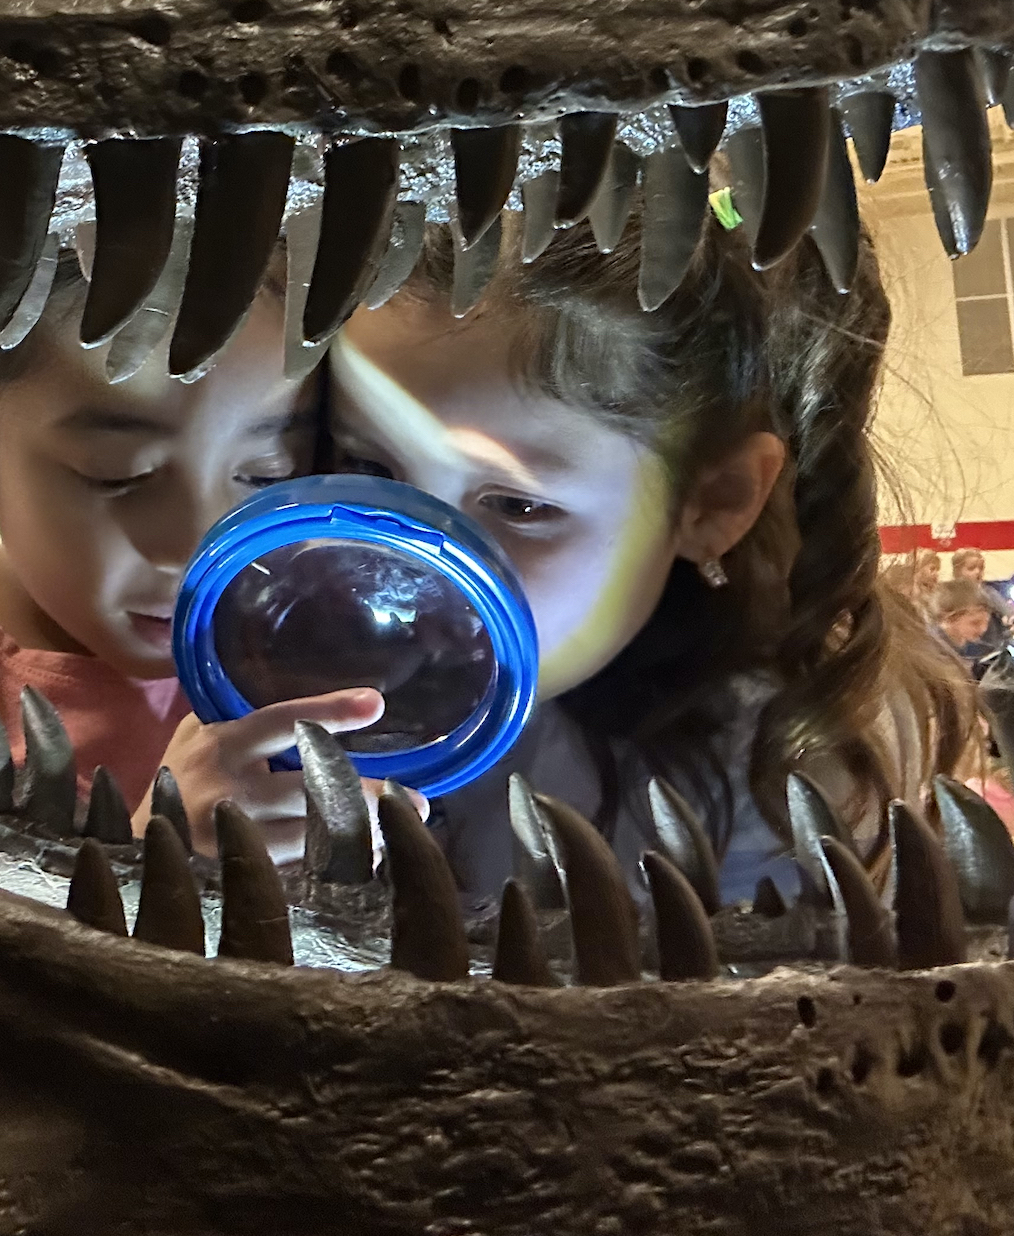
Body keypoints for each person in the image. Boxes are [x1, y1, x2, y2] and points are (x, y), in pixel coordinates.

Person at [329, 197, 975, 905]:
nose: (412, 573)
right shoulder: (334, 686)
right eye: (373, 472)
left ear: (714, 502)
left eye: (518, 506)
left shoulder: (771, 783)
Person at [0, 255, 393, 858]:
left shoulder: (302, 650)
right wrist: (145, 866)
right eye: (118, 475)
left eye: (266, 475)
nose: (196, 548)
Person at [932, 579, 1003, 671]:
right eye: (975, 623)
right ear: (949, 619)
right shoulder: (935, 651)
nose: (983, 629)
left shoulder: (961, 646)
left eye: (986, 622)